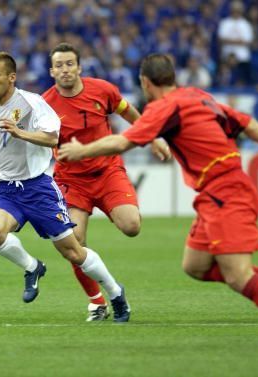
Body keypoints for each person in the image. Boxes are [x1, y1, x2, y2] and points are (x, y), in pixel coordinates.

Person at [58, 53, 258, 349]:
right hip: (213, 195)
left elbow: (122, 141)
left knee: (237, 276)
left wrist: (82, 151)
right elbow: (247, 123)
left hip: (226, 192)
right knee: (195, 265)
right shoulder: (199, 96)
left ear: (146, 83)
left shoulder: (164, 107)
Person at [0, 51, 131, 322]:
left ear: (11, 77)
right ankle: (32, 268)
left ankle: (114, 292)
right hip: (8, 189)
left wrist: (21, 133)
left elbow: (53, 138)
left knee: (73, 251)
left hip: (39, 188)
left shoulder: (32, 103)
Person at [41, 42, 170, 321]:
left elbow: (129, 112)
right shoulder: (45, 104)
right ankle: (97, 301)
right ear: (52, 71)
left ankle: (104, 296)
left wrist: (153, 138)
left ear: (79, 67)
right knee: (73, 243)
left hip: (108, 171)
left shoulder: (103, 90)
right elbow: (35, 140)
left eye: (69, 64)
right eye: (59, 65)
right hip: (71, 180)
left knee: (131, 226)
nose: (65, 70)